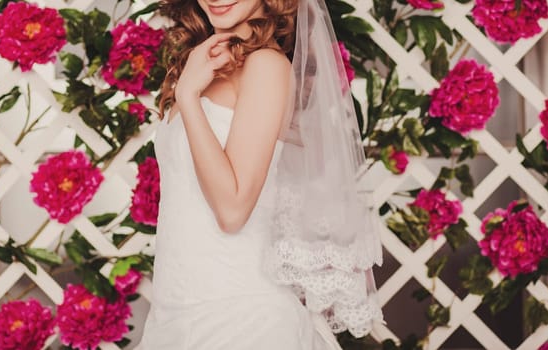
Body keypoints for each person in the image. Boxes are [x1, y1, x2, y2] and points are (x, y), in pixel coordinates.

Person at [138, 0, 383, 347]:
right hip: (174, 315)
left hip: (242, 320)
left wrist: (189, 97)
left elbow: (233, 210)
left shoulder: (265, 65)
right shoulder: (204, 62)